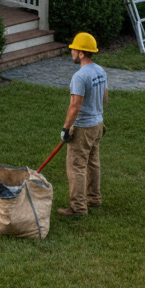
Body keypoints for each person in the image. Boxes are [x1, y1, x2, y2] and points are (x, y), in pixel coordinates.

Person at [57, 31, 108, 217]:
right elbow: (104, 97)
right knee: (93, 162)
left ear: (81, 53)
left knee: (76, 166)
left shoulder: (80, 76)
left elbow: (75, 105)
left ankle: (78, 208)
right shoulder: (100, 71)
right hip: (98, 124)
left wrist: (65, 128)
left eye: (74, 49)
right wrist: (97, 115)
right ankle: (94, 198)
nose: (71, 52)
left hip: (84, 127)